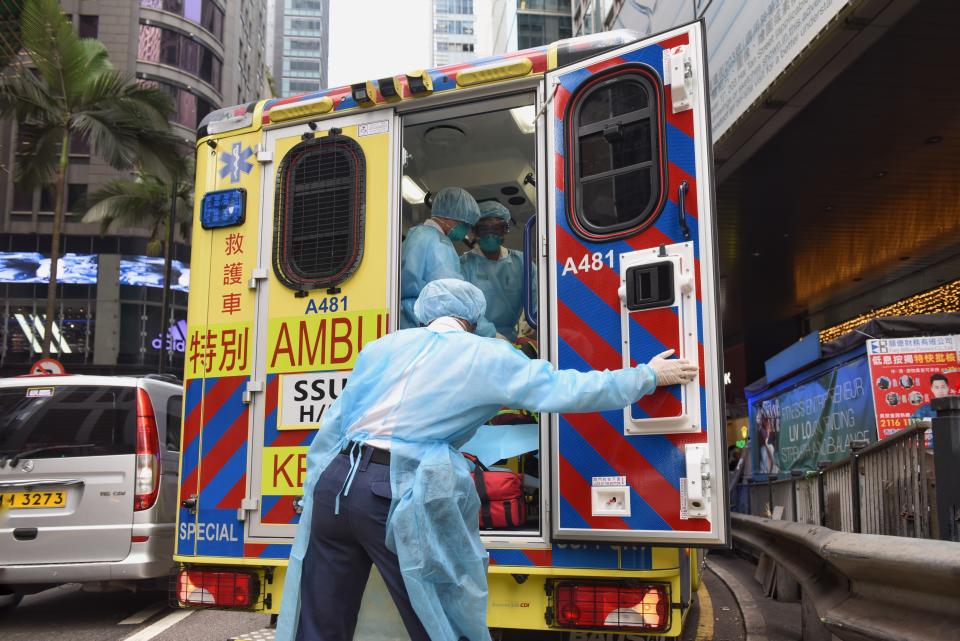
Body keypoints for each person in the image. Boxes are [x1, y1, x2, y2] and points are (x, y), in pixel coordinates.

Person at [277, 279, 698, 641]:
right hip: (390, 492)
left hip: (334, 486)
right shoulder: (486, 356)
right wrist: (645, 377)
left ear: (424, 315)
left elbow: (335, 424)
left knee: (321, 622)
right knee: (437, 613)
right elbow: (567, 389)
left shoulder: (382, 347)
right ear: (473, 321)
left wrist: (313, 490)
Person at [399, 186, 496, 337]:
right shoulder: (439, 244)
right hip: (424, 326)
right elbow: (454, 300)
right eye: (466, 225)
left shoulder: (415, 235)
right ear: (451, 218)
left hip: (405, 322)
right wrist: (491, 333)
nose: (467, 231)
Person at [461, 201, 525, 341]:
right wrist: (491, 335)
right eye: (484, 229)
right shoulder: (464, 265)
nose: (490, 235)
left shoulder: (521, 262)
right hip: (475, 340)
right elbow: (463, 309)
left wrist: (537, 330)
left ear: (505, 230)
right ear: (475, 232)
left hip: (511, 341)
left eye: (496, 229)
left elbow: (539, 301)